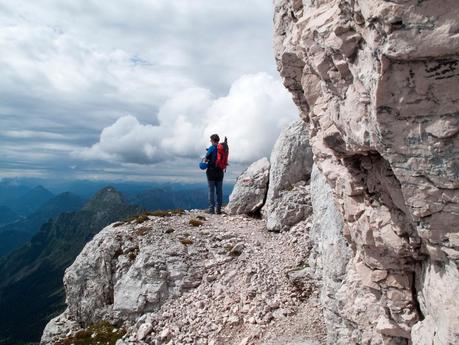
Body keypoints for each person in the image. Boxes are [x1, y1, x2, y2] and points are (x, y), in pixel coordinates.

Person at [205, 134, 224, 214]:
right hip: (220, 172)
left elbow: (206, 159)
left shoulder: (211, 148)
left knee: (211, 191)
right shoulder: (222, 149)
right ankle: (218, 209)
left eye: (211, 140)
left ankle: (211, 210)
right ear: (218, 140)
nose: (210, 141)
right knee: (219, 191)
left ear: (213, 140)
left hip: (211, 172)